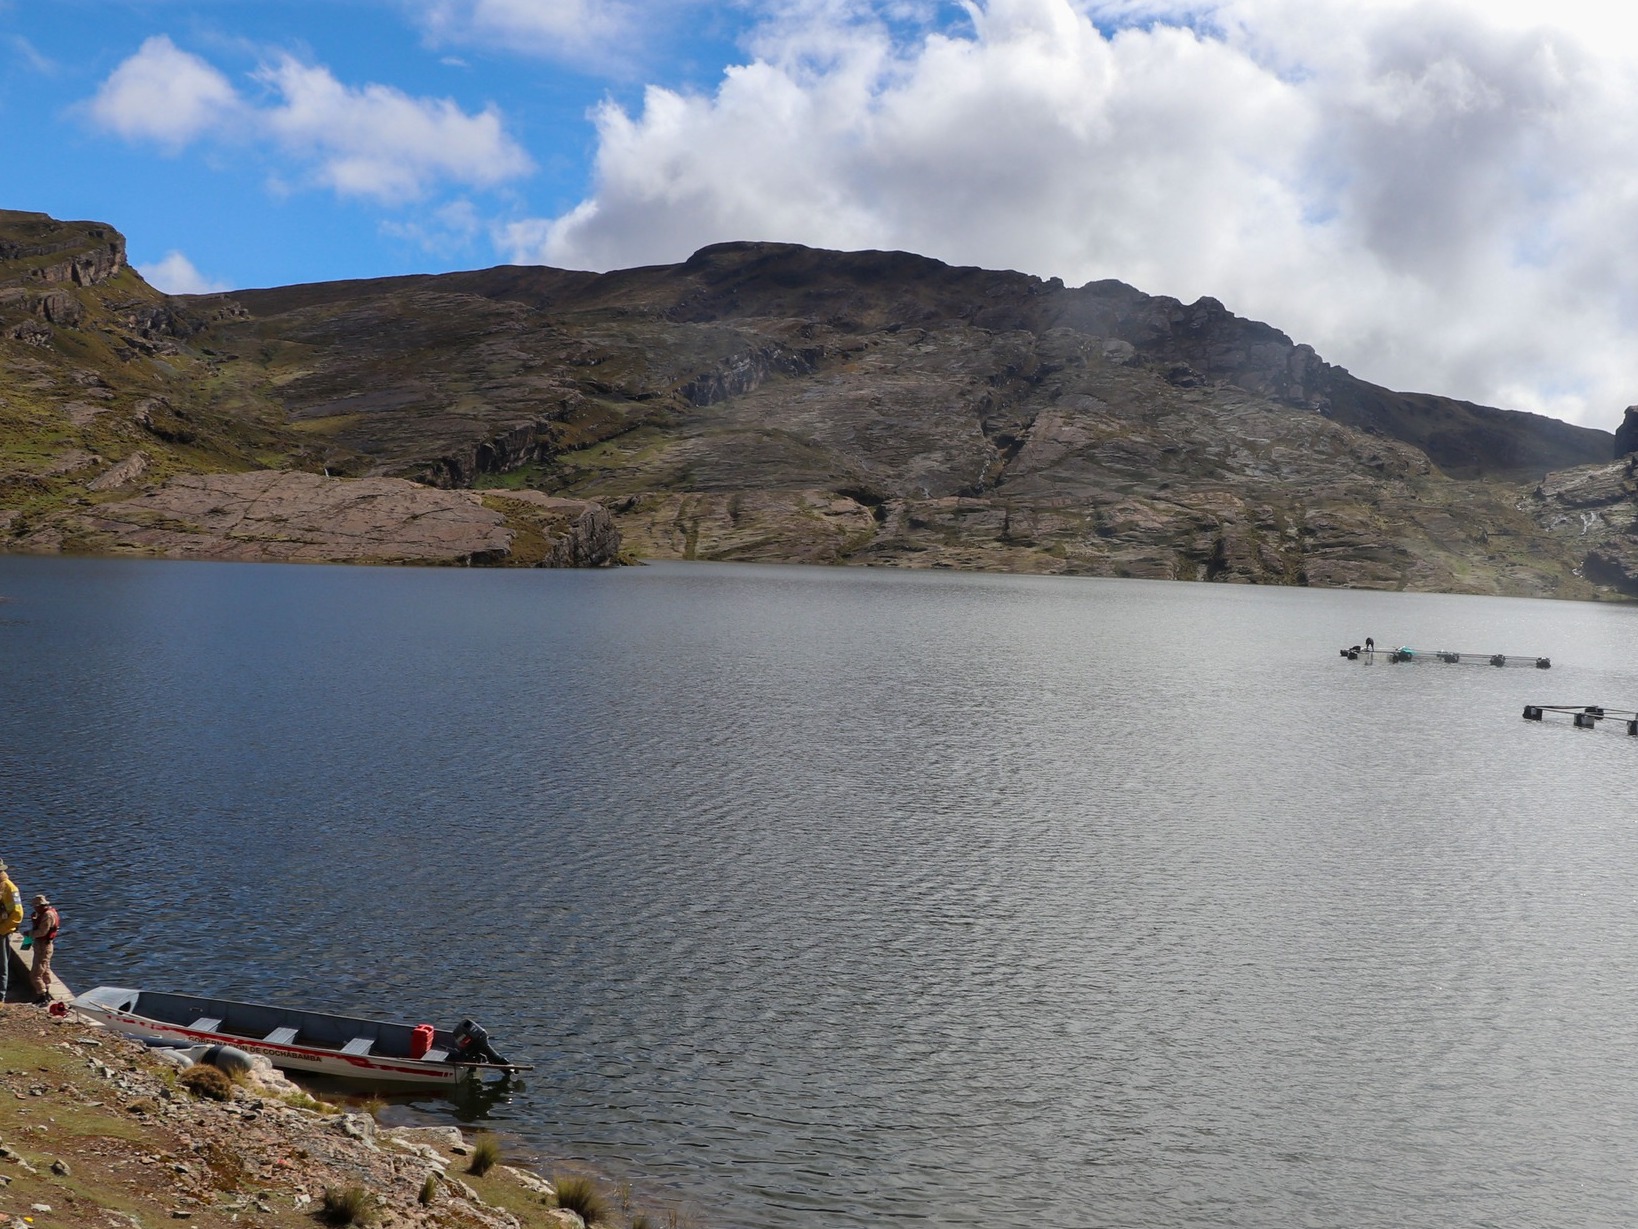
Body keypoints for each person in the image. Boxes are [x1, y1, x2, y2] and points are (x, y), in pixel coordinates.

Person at [26, 894, 58, 1003]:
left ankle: (42, 995)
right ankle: (47, 992)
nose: (34, 909)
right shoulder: (43, 914)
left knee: (36, 974)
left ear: (41, 906)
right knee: (45, 970)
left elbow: (42, 932)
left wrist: (29, 934)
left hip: (43, 946)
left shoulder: (47, 916)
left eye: (36, 907)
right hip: (44, 945)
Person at [0, 861, 20, 1004]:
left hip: (2, 932)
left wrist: (2, 930)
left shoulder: (10, 888)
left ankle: (0, 997)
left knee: (2, 965)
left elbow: (17, 914)